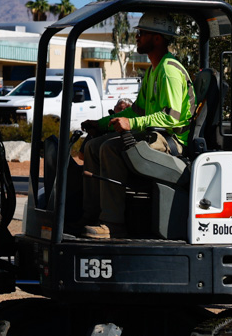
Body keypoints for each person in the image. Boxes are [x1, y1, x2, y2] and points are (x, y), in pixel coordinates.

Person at [79, 12, 195, 239]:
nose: (138, 37)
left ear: (158, 38)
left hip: (172, 141)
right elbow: (137, 110)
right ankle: (92, 215)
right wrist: (101, 125)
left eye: (142, 33)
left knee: (111, 149)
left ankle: (112, 223)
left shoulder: (168, 70)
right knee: (94, 146)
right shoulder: (153, 69)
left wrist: (130, 123)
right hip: (155, 134)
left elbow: (171, 117)